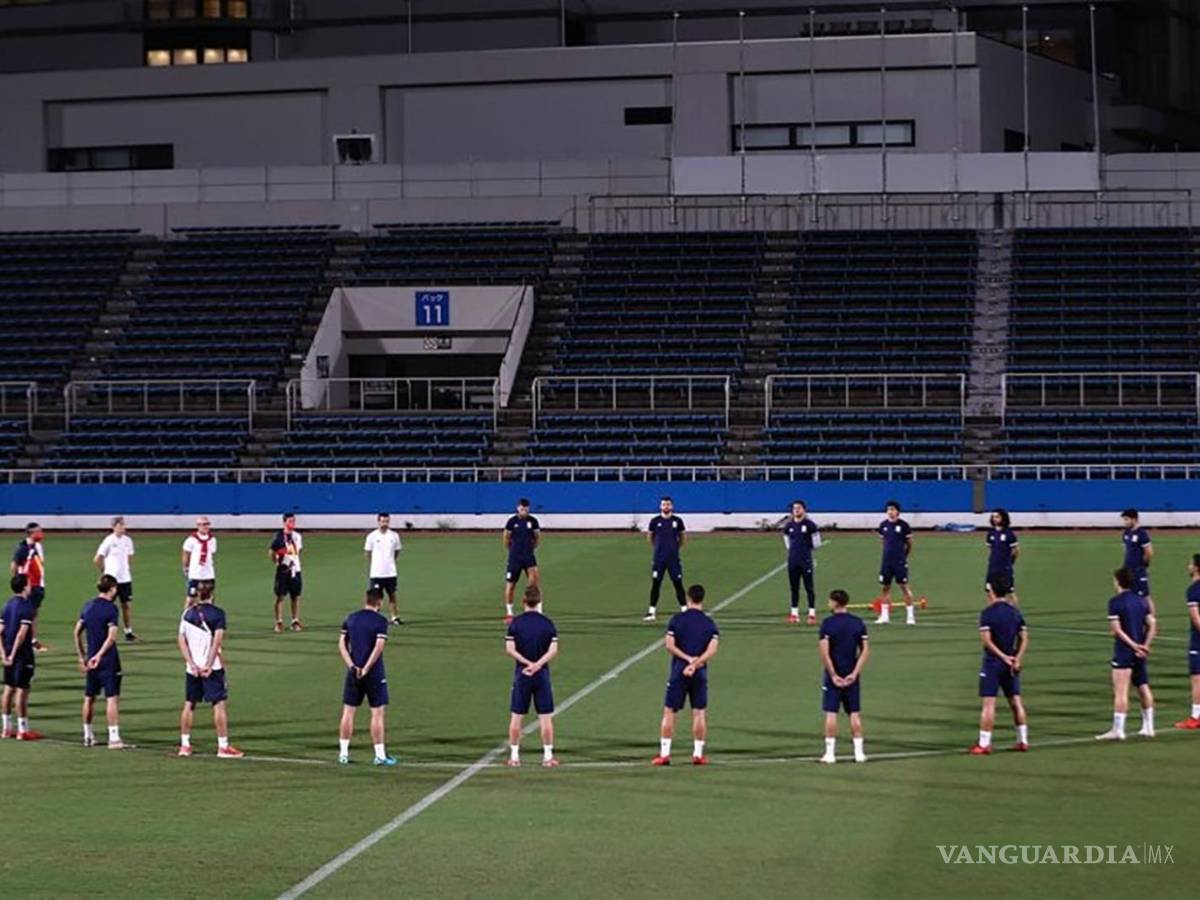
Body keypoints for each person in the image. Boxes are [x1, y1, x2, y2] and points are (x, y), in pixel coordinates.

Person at [652, 584, 719, 766]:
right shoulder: (709, 623)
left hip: (678, 671)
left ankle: (665, 754)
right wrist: (696, 663)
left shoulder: (677, 620)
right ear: (702, 600)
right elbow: (713, 649)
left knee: (669, 712)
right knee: (699, 713)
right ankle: (698, 754)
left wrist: (688, 660)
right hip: (699, 673)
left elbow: (669, 645)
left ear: (688, 598)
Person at [176, 580, 242, 758]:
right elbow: (217, 641)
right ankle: (223, 746)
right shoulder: (218, 614)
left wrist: (191, 663)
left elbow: (181, 640)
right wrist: (208, 664)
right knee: (219, 704)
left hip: (193, 668)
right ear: (212, 594)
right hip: (212, 668)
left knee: (189, 704)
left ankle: (185, 745)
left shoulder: (187, 613)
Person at [337, 588, 396, 766]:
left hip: (353, 672)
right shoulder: (380, 621)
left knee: (348, 711)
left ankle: (343, 754)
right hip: (374, 673)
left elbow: (341, 645)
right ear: (380, 602)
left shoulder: (351, 618)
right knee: (377, 713)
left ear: (366, 600)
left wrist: (352, 666)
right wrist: (367, 668)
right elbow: (378, 647)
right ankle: (379, 755)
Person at [1097, 568, 1156, 741]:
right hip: (1140, 652)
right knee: (1143, 686)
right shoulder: (1142, 601)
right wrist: (1144, 646)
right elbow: (1152, 626)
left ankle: (1118, 730)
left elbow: (1117, 630)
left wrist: (1133, 645)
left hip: (1124, 651)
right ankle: (1149, 727)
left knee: (1121, 691)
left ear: (1118, 581)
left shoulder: (1115, 602)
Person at [968, 588, 1029, 755]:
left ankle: (984, 743)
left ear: (992, 592)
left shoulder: (988, 613)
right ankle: (1022, 740)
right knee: (1016, 701)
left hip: (993, 664)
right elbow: (1024, 638)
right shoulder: (1015, 612)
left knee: (989, 704)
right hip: (1012, 664)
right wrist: (1017, 658)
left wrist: (1003, 657)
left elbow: (987, 641)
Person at [505, 585, 558, 767]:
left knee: (517, 715)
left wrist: (527, 664)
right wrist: (537, 665)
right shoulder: (547, 623)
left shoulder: (516, 624)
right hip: (541, 674)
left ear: (524, 601)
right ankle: (548, 757)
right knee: (545, 717)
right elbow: (553, 650)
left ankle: (514, 756)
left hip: (522, 673)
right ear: (539, 601)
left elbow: (510, 649)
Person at [817, 589, 869, 763]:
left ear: (834, 603)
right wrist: (855, 673)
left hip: (834, 675)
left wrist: (833, 674)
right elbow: (865, 651)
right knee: (854, 713)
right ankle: (859, 753)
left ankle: (830, 754)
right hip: (851, 674)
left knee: (831, 713)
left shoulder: (827, 624)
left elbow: (824, 653)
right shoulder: (857, 623)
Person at [74, 575, 124, 749]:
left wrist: (82, 656)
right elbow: (111, 637)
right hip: (107, 659)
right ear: (112, 588)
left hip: (90, 659)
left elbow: (76, 632)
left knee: (89, 697)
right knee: (111, 697)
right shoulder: (111, 609)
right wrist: (100, 655)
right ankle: (114, 737)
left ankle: (88, 736)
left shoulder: (88, 606)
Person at [0, 575, 40, 740]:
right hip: (22, 655)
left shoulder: (8, 605)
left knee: (8, 689)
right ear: (24, 587)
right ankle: (23, 730)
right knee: (22, 691)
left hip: (8, 653)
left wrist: (4, 655)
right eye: (29, 584)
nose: (30, 586)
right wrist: (14, 654)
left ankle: (6, 728)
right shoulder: (26, 607)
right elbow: (22, 635)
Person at [642, 497, 686, 622]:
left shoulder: (678, 521)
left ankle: (684, 610)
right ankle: (651, 611)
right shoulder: (655, 521)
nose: (666, 506)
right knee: (656, 584)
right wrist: (658, 549)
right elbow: (650, 537)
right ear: (660, 506)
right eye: (663, 504)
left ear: (672, 506)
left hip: (673, 559)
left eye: (668, 504)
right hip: (659, 560)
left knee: (678, 583)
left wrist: (675, 548)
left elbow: (682, 537)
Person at [94, 515, 137, 641]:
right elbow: (97, 559)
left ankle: (128, 632)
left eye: (124, 525)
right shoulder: (108, 541)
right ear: (114, 527)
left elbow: (129, 557)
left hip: (125, 579)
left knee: (126, 605)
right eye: (121, 525)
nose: (123, 527)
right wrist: (105, 571)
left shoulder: (128, 541)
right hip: (112, 580)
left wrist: (125, 569)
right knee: (106, 606)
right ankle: (101, 631)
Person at [874, 500, 917, 625]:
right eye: (888, 510)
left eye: (893, 510)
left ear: (898, 511)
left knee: (904, 587)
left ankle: (910, 616)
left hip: (899, 561)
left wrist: (904, 557)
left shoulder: (904, 525)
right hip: (886, 562)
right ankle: (884, 616)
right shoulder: (883, 525)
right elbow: (883, 542)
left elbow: (909, 544)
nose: (890, 512)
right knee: (885, 588)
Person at [502, 498, 541, 625]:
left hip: (529, 557)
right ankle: (509, 613)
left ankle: (535, 611)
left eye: (526, 509)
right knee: (510, 585)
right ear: (517, 508)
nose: (524, 511)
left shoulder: (533, 521)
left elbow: (537, 538)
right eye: (522, 508)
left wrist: (530, 549)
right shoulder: (512, 522)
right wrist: (513, 550)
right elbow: (506, 538)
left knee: (533, 584)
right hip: (515, 558)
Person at [782, 500, 821, 625]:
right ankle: (794, 613)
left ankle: (812, 613)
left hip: (806, 560)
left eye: (798, 508)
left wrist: (808, 551)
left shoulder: (810, 525)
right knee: (794, 588)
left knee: (809, 587)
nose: (796, 510)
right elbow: (786, 538)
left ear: (804, 509)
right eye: (794, 508)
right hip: (793, 560)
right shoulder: (789, 525)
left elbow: (817, 542)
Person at [10, 522, 48, 652]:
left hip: (38, 585)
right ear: (31, 533)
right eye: (38, 531)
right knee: (27, 613)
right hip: (28, 586)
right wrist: (19, 583)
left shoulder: (38, 546)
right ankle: (29, 641)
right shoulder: (23, 548)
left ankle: (31, 640)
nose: (41, 533)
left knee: (34, 613)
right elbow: (14, 565)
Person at [364, 513, 403, 625]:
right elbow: (367, 553)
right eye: (383, 521)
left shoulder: (394, 535)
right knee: (375, 596)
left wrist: (389, 561)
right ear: (378, 521)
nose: (385, 524)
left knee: (392, 595)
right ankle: (373, 617)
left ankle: (394, 617)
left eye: (387, 521)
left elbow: (397, 551)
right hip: (376, 573)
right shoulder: (372, 536)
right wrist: (376, 564)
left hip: (390, 572)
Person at [269, 513, 304, 632]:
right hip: (283, 570)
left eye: (294, 521)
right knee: (280, 596)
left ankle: (295, 620)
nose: (293, 523)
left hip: (295, 569)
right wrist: (277, 561)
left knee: (295, 596)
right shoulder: (278, 537)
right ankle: (279, 621)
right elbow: (271, 552)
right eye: (290, 521)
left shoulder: (297, 536)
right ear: (284, 522)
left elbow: (296, 551)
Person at [1177, 554, 1200, 730]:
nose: (1188, 567)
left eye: (1191, 564)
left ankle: (1196, 716)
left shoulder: (1193, 590)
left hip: (1198, 642)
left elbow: (1196, 619)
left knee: (1197, 679)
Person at [985, 508, 1019, 604]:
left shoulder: (1009, 534)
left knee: (1010, 593)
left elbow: (1015, 551)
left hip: (1005, 569)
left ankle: (1013, 615)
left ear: (1003, 518)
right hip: (992, 569)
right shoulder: (990, 533)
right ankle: (993, 615)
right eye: (993, 517)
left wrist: (1009, 563)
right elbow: (990, 550)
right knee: (989, 592)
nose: (995, 519)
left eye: (997, 517)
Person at [181, 517, 217, 607]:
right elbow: (186, 554)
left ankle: (208, 617)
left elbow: (211, 554)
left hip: (208, 573)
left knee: (209, 597)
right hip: (195, 573)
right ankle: (186, 617)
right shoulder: (191, 540)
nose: (206, 526)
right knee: (191, 598)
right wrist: (186, 568)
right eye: (203, 524)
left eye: (207, 524)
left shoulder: (212, 540)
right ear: (198, 526)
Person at [1120, 509, 1153, 603]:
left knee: (1145, 596)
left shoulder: (1142, 533)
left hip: (1138, 569)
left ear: (1134, 519)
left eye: (1126, 519)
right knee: (1125, 593)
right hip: (1127, 569)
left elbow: (1149, 552)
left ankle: (1152, 617)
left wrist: (1144, 566)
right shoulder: (1126, 533)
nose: (1124, 522)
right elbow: (1126, 550)